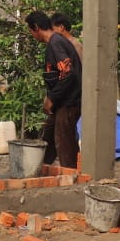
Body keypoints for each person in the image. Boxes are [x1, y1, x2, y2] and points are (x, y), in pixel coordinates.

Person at [25, 10, 82, 169]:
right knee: (48, 136)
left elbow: (67, 72)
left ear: (36, 27)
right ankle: (38, 169)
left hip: (68, 101)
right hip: (61, 101)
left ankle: (71, 174)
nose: (31, 35)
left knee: (64, 141)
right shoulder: (55, 42)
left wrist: (52, 98)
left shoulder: (55, 42)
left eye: (30, 31)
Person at [43, 13, 81, 166]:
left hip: (70, 97)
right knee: (51, 134)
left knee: (65, 137)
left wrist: (53, 97)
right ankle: (43, 165)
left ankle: (70, 170)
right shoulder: (60, 43)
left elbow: (72, 73)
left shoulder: (70, 44)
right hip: (61, 96)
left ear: (61, 27)